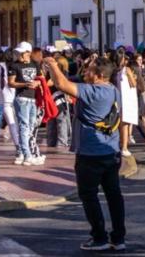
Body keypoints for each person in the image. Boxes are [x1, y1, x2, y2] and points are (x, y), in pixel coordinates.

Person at [43, 56, 126, 251]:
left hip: (91, 153)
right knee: (114, 195)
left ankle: (99, 238)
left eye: (89, 70)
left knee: (88, 195)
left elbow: (61, 83)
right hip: (111, 151)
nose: (85, 73)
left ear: (99, 76)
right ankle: (119, 238)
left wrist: (53, 65)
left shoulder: (92, 92)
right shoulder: (113, 91)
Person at [8, 42, 43, 166]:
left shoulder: (35, 64)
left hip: (32, 98)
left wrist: (37, 83)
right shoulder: (14, 65)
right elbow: (11, 83)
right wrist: (26, 84)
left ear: (28, 52)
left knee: (31, 126)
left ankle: (26, 152)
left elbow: (41, 79)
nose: (19, 55)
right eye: (18, 53)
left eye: (22, 53)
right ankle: (26, 154)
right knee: (24, 126)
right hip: (21, 98)